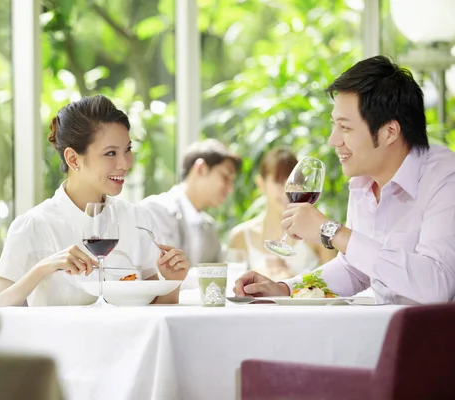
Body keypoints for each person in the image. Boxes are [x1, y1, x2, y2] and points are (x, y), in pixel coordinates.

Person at [234, 55, 455, 305]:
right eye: (334, 126)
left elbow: (436, 286)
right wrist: (286, 290)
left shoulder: (446, 180)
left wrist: (331, 231)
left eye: (345, 128)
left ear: (389, 132)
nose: (333, 140)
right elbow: (354, 269)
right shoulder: (363, 183)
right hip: (387, 334)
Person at [0, 95, 189, 307]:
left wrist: (173, 281)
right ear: (73, 159)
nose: (125, 163)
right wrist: (43, 268)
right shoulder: (34, 226)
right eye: (110, 153)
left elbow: (155, 310)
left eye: (127, 149)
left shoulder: (137, 219)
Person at [228, 148, 335, 280]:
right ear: (261, 183)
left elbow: (336, 286)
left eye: (294, 182)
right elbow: (230, 286)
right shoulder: (240, 237)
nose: (287, 189)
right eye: (279, 182)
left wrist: (291, 280)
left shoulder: (318, 235)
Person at [140, 139, 241, 265]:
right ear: (201, 168)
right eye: (225, 177)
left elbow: (222, 269)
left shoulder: (209, 226)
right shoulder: (155, 210)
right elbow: (160, 270)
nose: (230, 188)